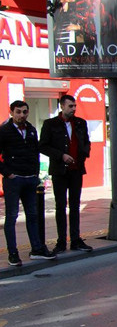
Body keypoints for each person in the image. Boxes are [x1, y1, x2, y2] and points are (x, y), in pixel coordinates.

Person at [0, 101, 56, 265]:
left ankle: (37, 249)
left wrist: (36, 173)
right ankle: (13, 253)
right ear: (11, 112)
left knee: (33, 215)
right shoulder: (4, 131)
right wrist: (8, 173)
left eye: (24, 112)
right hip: (14, 179)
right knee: (11, 217)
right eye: (18, 112)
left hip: (30, 179)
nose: (21, 115)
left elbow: (35, 153)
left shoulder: (31, 130)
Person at [39, 95, 93, 253]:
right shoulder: (51, 124)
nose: (73, 109)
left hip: (76, 169)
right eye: (70, 106)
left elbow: (86, 141)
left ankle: (75, 239)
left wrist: (84, 153)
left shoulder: (80, 123)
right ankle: (61, 241)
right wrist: (61, 155)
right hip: (59, 170)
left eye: (75, 106)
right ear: (62, 106)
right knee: (60, 205)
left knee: (75, 205)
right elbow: (43, 146)